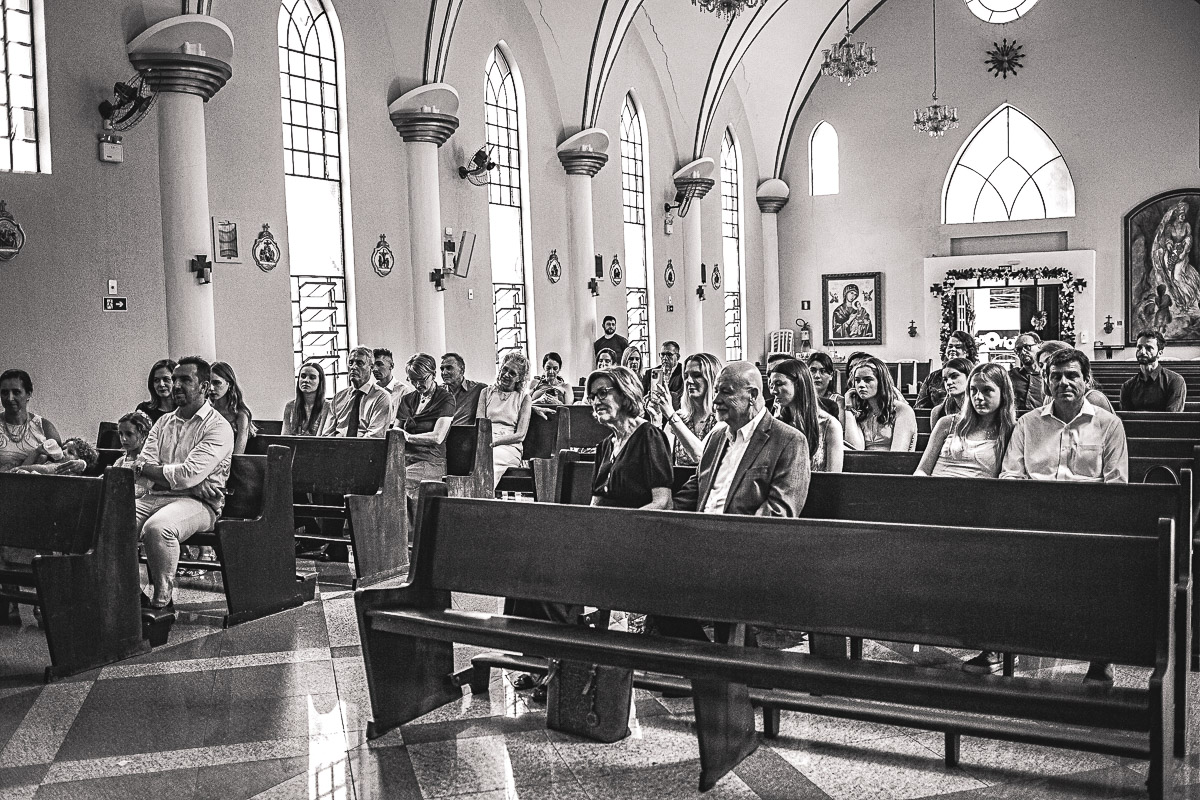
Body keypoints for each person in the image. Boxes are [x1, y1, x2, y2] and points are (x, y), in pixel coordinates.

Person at [1001, 347, 1127, 684]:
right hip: (1034, 518)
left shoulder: (1109, 425)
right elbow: (1010, 475)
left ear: (1086, 381)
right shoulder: (1028, 424)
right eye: (1055, 376)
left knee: (1103, 567)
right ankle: (998, 644)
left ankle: (1101, 656)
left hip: (1088, 523)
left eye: (1072, 375)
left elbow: (1116, 485)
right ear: (1046, 381)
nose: (1063, 382)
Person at [133, 356, 234, 611]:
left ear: (204, 386)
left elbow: (188, 473)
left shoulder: (218, 427)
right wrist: (186, 481)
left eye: (185, 380)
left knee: (158, 528)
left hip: (201, 504)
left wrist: (182, 482)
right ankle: (129, 593)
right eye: (175, 379)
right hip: (157, 496)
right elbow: (140, 466)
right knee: (110, 522)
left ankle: (162, 599)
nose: (176, 385)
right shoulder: (163, 422)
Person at [588, 366, 673, 510]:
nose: (596, 402)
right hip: (606, 526)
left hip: (638, 527)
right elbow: (595, 503)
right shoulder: (605, 446)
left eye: (602, 393)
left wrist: (626, 525)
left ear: (625, 393)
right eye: (592, 397)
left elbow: (663, 502)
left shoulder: (649, 437)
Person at [917, 363, 1016, 479]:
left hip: (976, 494)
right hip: (934, 490)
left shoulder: (1011, 430)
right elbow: (923, 470)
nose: (978, 397)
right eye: (973, 390)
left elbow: (1011, 476)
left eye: (987, 390)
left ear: (1003, 393)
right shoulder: (947, 423)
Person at [395, 353, 455, 527]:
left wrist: (409, 437)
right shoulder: (408, 399)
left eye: (421, 379)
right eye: (412, 380)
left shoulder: (445, 398)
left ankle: (412, 537)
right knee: (379, 483)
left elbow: (438, 437)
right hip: (406, 459)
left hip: (431, 460)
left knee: (399, 483)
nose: (417, 385)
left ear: (433, 374)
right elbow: (396, 429)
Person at [769, 358, 844, 473]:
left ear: (799, 384)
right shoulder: (777, 422)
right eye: (772, 385)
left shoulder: (830, 426)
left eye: (779, 384)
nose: (773, 391)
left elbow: (833, 478)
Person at [650, 352, 721, 466]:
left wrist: (670, 415)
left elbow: (701, 456)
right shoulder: (680, 418)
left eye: (696, 375)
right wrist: (657, 420)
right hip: (681, 482)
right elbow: (660, 460)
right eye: (686, 376)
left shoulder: (721, 419)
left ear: (712, 379)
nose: (689, 381)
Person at [477, 351, 533, 489]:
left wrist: (495, 442)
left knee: (491, 460)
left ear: (520, 378)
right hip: (485, 440)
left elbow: (520, 435)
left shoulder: (524, 398)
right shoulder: (486, 392)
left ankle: (483, 497)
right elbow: (480, 422)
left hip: (509, 445)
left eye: (512, 373)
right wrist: (486, 442)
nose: (506, 374)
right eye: (505, 369)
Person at [844, 356, 918, 451]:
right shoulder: (860, 411)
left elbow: (898, 455)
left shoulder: (902, 410)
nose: (861, 385)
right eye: (857, 380)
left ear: (881, 382)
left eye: (868, 380)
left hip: (893, 464)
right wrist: (848, 409)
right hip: (862, 464)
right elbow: (855, 450)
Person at [0, 369, 63, 472]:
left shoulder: (45, 427)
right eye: (5, 392)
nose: (10, 398)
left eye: (16, 392)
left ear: (28, 394)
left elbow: (62, 464)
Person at [321, 346, 392, 437]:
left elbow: (374, 436)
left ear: (371, 367)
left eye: (359, 363)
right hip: (337, 448)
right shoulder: (339, 398)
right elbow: (327, 434)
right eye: (350, 363)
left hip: (365, 449)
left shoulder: (381, 397)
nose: (353, 367)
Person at [1036, 340, 1113, 412]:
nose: (1043, 368)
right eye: (1041, 365)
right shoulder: (1050, 397)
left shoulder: (1093, 399)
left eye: (1049, 361)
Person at [1121, 330, 1187, 411]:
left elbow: (1172, 418)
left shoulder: (1175, 381)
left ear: (1159, 353)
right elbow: (1125, 417)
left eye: (1149, 348)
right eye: (1139, 347)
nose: (1142, 352)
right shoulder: (1128, 386)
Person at [915, 331, 977, 409]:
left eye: (958, 347)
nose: (952, 350)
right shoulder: (934, 377)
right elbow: (920, 408)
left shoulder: (976, 375)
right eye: (950, 346)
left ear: (967, 352)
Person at [209, 361, 257, 455]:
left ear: (229, 384)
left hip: (230, 465)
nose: (211, 388)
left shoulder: (240, 414)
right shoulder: (207, 411)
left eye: (217, 383)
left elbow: (238, 454)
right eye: (209, 383)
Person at [114, 410, 155, 498]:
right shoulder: (120, 462)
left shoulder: (151, 461)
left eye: (129, 434)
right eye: (121, 434)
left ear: (143, 435)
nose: (123, 439)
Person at [282, 361, 329, 436]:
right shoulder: (290, 406)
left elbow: (320, 439)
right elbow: (285, 437)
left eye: (312, 377)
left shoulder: (327, 406)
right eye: (303, 376)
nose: (306, 380)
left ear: (320, 382)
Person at [440, 352, 486, 427]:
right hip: (441, 436)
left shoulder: (479, 389)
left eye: (449, 368)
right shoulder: (438, 392)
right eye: (442, 369)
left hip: (465, 436)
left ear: (462, 370)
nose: (444, 373)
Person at [928, 357, 973, 429]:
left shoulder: (980, 408)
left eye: (954, 376)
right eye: (945, 379)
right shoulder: (937, 412)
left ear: (969, 376)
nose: (948, 383)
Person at [14, 437, 96, 475]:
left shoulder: (68, 470)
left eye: (70, 452)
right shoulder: (48, 462)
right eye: (63, 448)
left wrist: (17, 469)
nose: (64, 452)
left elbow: (45, 470)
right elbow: (24, 470)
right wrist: (37, 451)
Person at [1008, 333, 1044, 410]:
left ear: (1039, 346)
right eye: (1018, 349)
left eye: (1027, 347)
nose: (1023, 352)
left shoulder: (1049, 375)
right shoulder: (1010, 376)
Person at [807, 351, 845, 424]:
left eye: (823, 371)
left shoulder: (838, 401)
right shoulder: (800, 398)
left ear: (831, 376)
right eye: (813, 371)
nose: (817, 376)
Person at [136, 359, 177, 423]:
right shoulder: (144, 410)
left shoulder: (185, 410)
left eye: (166, 379)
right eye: (156, 380)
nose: (161, 384)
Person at [373, 348, 406, 417]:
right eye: (372, 366)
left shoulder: (403, 392)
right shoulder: (371, 391)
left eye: (379, 364)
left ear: (391, 366)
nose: (374, 369)